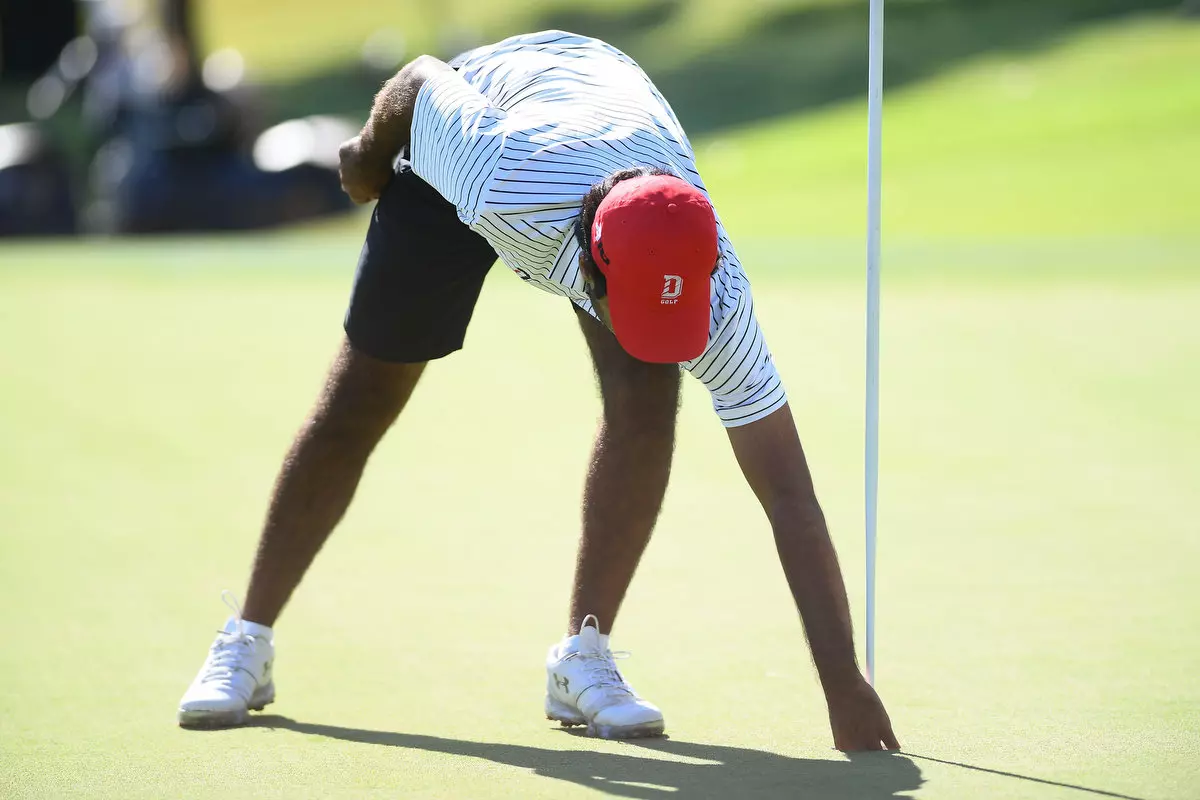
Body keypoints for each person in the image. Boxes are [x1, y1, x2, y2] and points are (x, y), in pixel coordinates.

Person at [178, 30, 899, 751]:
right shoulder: (497, 175)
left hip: (607, 113)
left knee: (648, 401)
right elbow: (422, 76)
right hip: (486, 118)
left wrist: (845, 684)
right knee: (362, 398)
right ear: (590, 267)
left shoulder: (716, 292)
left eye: (671, 315)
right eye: (641, 310)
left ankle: (582, 660)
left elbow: (788, 490)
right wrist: (367, 157)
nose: (663, 331)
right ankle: (247, 638)